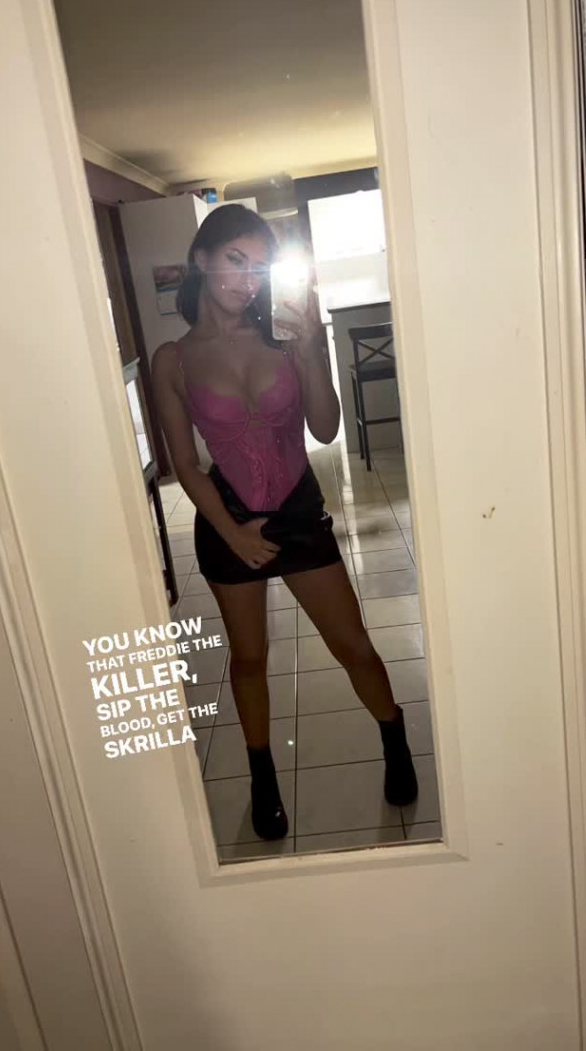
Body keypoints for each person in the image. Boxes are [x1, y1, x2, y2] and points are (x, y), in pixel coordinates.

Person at [151, 204, 418, 841]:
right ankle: (262, 775)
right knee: (248, 658)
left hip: (298, 513)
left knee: (352, 645)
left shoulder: (282, 335)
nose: (247, 280)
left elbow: (324, 428)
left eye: (259, 266)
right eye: (234, 261)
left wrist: (311, 351)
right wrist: (232, 531)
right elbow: (185, 464)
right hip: (228, 520)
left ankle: (394, 736)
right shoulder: (173, 360)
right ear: (201, 259)